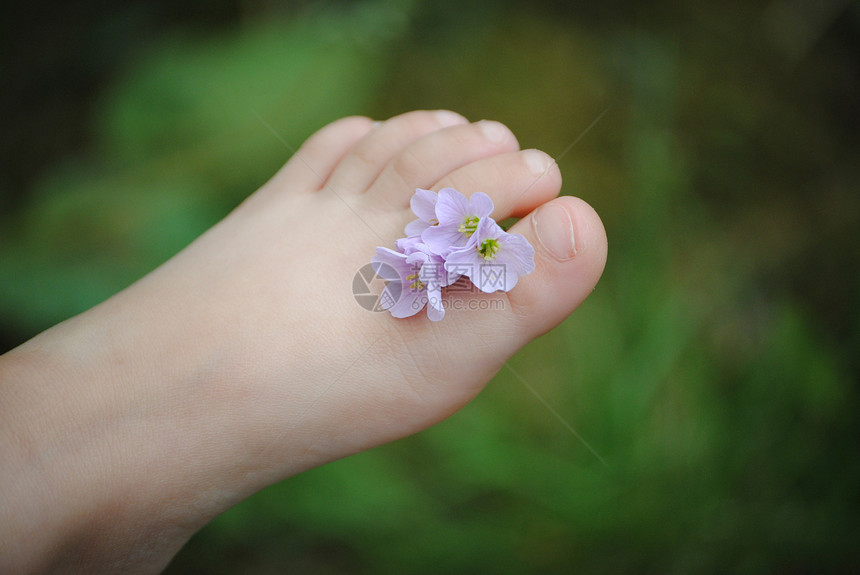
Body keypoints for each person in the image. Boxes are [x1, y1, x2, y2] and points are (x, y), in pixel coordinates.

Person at [0, 110, 607, 574]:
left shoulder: (471, 243)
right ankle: (85, 468)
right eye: (473, 231)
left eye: (481, 236)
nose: (480, 234)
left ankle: (73, 430)